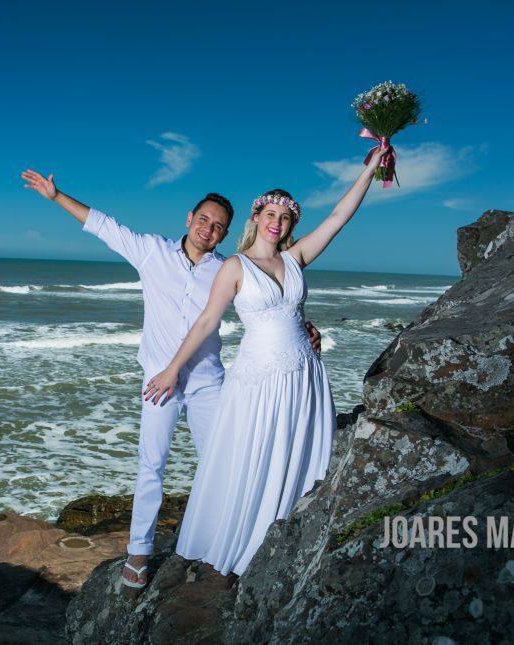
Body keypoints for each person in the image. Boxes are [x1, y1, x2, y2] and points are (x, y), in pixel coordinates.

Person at [20, 169, 322, 588]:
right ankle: (139, 552)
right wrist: (56, 196)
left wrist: (305, 327)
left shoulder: (229, 269)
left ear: (225, 234)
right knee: (151, 465)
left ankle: (223, 542)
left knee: (224, 462)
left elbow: (272, 305)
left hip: (207, 382)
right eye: (204, 220)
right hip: (158, 382)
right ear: (189, 218)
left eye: (218, 227)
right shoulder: (151, 252)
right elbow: (102, 225)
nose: (208, 229)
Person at [143, 146, 389, 576]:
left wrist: (371, 166)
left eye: (286, 217)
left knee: (297, 456)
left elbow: (338, 217)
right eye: (270, 214)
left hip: (305, 376)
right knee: (252, 460)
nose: (277, 223)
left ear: (292, 224)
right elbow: (204, 324)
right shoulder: (235, 266)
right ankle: (241, 545)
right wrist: (171, 369)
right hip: (258, 380)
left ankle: (285, 536)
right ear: (256, 218)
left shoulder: (295, 259)